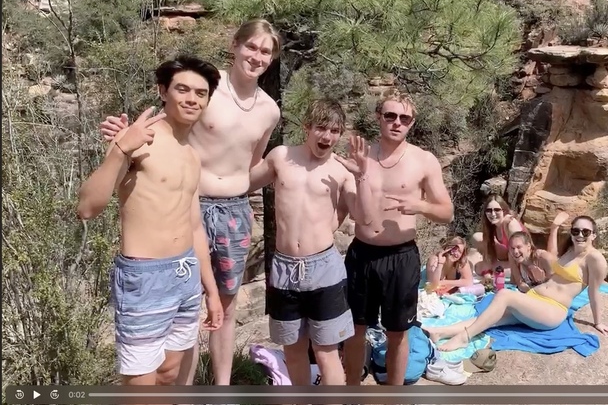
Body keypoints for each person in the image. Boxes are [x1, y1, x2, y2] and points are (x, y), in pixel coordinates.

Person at [97, 19, 281, 385]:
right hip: (190, 206)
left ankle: (221, 388)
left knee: (225, 304)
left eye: (266, 51)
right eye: (251, 47)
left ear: (272, 58)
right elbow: (166, 129)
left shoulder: (269, 110)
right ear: (235, 45)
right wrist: (123, 139)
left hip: (234, 212)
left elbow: (250, 163)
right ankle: (186, 387)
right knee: (190, 304)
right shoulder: (206, 90)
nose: (257, 57)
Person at [77, 55, 225, 385]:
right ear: (162, 91)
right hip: (145, 276)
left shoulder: (191, 155)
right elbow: (87, 207)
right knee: (141, 385)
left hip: (185, 272)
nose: (192, 99)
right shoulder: (137, 141)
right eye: (182, 89)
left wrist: (212, 291)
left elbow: (194, 225)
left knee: (169, 373)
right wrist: (121, 149)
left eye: (201, 93)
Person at [248, 99, 378, 385]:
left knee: (326, 352)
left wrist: (362, 176)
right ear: (307, 127)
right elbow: (245, 182)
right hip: (284, 268)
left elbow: (364, 217)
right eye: (321, 128)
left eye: (334, 131)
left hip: (323, 268)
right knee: (293, 351)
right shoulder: (281, 157)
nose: (327, 136)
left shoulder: (342, 170)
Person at [342, 91, 454, 386]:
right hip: (362, 254)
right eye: (390, 115)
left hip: (401, 256)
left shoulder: (424, 160)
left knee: (398, 332)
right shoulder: (362, 156)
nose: (397, 122)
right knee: (354, 328)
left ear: (412, 123)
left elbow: (446, 213)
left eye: (404, 118)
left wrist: (420, 205)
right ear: (378, 117)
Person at [424, 215, 608, 352]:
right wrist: (554, 228)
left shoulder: (594, 258)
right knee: (491, 318)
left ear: (594, 235)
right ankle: (440, 332)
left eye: (586, 231)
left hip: (552, 310)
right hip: (534, 301)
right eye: (576, 231)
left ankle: (464, 338)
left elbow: (594, 292)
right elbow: (552, 257)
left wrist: (598, 322)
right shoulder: (571, 251)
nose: (580, 235)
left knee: (504, 295)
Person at [470, 194, 527, 280]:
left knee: (483, 268)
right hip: (506, 258)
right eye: (489, 210)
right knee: (477, 238)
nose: (493, 214)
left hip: (521, 261)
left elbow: (521, 252)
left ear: (504, 210)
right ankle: (494, 268)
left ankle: (496, 269)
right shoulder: (492, 226)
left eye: (497, 210)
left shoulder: (511, 224)